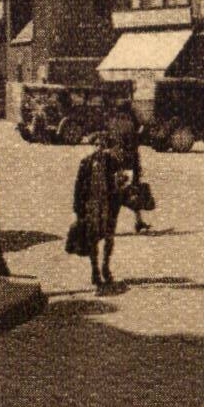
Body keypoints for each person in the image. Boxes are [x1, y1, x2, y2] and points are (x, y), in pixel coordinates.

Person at [73, 141, 124, 289]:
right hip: (92, 205)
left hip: (108, 204)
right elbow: (78, 187)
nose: (100, 148)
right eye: (97, 144)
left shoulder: (112, 162)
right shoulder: (86, 163)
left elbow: (121, 180)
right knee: (93, 238)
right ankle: (95, 270)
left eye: (103, 145)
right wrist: (78, 210)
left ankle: (105, 267)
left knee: (109, 237)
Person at [106, 98, 149, 233]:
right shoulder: (129, 124)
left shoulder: (112, 122)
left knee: (116, 192)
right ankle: (137, 222)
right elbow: (133, 144)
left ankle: (138, 221)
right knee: (131, 192)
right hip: (128, 162)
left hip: (113, 161)